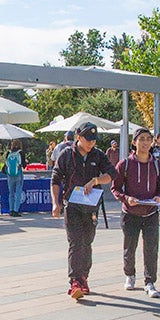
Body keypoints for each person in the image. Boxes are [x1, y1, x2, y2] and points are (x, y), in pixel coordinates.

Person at [50, 122, 115, 300]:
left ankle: (84, 277)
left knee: (87, 242)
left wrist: (95, 181)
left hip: (91, 207)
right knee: (75, 242)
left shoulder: (98, 154)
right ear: (78, 137)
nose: (91, 143)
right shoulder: (66, 155)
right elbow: (55, 179)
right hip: (72, 206)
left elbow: (111, 174)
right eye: (88, 139)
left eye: (94, 140)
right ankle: (75, 282)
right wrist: (55, 203)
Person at [111, 128, 160, 296]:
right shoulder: (125, 164)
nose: (145, 142)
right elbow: (115, 188)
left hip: (151, 213)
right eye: (141, 139)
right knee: (129, 247)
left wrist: (159, 197)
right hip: (130, 213)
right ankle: (129, 274)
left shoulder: (158, 165)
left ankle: (150, 282)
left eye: (148, 139)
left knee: (151, 249)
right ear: (134, 142)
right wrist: (126, 198)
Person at [3, 140, 25, 217]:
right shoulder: (21, 152)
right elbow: (24, 164)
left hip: (9, 175)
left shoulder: (9, 153)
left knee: (11, 192)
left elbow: (5, 164)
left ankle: (11, 210)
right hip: (18, 174)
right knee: (18, 192)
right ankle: (16, 210)